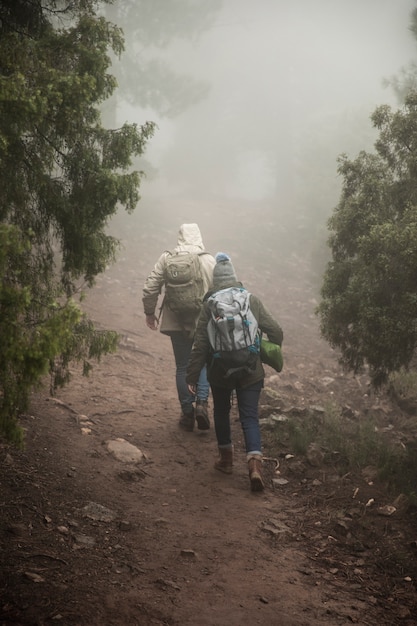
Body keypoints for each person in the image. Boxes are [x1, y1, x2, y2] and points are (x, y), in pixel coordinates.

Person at [186, 252, 283, 492]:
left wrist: (192, 376)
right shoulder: (251, 300)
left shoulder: (209, 305)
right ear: (235, 277)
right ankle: (255, 468)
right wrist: (264, 348)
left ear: (214, 281)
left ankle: (226, 461)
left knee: (221, 412)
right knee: (249, 416)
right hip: (251, 370)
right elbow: (276, 331)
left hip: (220, 371)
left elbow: (200, 343)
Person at [142, 223, 216, 432]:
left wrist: (150, 313)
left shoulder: (168, 258)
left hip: (175, 322)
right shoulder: (209, 260)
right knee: (202, 363)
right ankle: (202, 403)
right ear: (199, 237)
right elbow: (220, 292)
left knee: (182, 366)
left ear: (180, 237)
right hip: (203, 323)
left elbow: (150, 287)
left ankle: (187, 413)